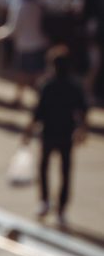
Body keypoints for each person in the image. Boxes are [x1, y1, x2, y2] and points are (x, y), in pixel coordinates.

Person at [25, 44, 89, 226]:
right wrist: (82, 129)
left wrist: (28, 131)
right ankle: (60, 208)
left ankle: (45, 201)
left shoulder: (47, 85)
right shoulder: (74, 85)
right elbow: (83, 110)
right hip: (65, 133)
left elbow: (38, 112)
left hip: (49, 132)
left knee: (45, 167)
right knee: (65, 171)